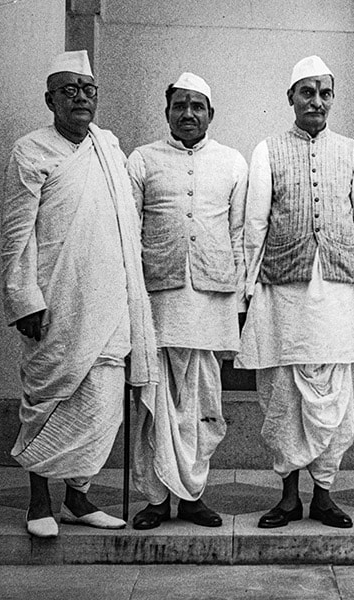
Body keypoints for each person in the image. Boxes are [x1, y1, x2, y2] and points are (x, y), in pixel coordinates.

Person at [0, 50, 157, 538]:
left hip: (110, 301)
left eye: (88, 89)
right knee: (48, 398)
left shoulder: (109, 147)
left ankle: (78, 499)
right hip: (57, 302)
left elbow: (126, 226)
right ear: (50, 99)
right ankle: (39, 501)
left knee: (100, 402)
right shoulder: (31, 150)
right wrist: (25, 298)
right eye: (69, 90)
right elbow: (15, 234)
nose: (81, 98)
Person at [235, 55, 354, 529]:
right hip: (283, 291)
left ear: (333, 98)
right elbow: (254, 225)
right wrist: (245, 292)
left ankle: (324, 495)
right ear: (291, 98)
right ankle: (288, 497)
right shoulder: (267, 150)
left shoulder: (353, 151)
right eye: (307, 92)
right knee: (283, 393)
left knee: (338, 389)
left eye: (324, 92)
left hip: (339, 292)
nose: (316, 101)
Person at [127, 72, 247, 530]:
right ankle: (156, 498)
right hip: (158, 297)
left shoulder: (233, 162)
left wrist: (237, 301)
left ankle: (193, 495)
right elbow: (129, 230)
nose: (189, 113)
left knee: (201, 398)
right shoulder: (142, 160)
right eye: (181, 105)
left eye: (198, 106)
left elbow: (238, 236)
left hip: (212, 298)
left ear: (211, 114)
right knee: (155, 398)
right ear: (168, 113)